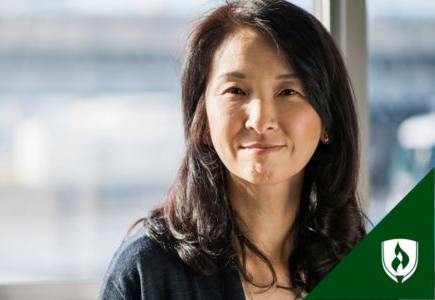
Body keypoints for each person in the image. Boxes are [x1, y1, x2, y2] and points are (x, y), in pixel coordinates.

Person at [99, 0, 367, 299]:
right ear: (201, 122)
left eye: (289, 92)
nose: (261, 120)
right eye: (236, 91)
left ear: (328, 121)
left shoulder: (365, 265)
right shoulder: (148, 269)